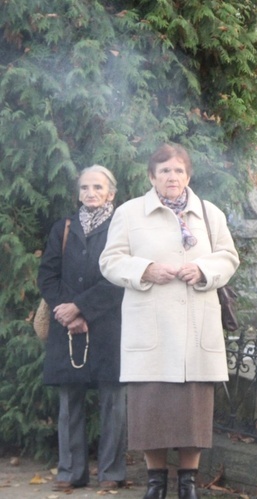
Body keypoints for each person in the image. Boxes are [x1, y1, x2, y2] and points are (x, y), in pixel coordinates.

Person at [99, 143, 239, 499]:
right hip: (151, 330)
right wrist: (145, 268)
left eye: (178, 170)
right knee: (150, 408)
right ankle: (155, 482)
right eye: (164, 171)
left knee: (193, 410)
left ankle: (188, 483)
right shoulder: (130, 214)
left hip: (196, 328)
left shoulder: (210, 213)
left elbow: (228, 257)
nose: (171, 177)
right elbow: (110, 261)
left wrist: (203, 268)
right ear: (151, 177)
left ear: (188, 175)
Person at [38, 165, 127, 492]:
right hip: (68, 327)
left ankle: (112, 473)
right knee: (69, 403)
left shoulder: (122, 227)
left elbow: (121, 278)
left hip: (109, 325)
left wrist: (83, 307)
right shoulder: (63, 228)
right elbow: (47, 275)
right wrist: (67, 311)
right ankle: (70, 472)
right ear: (78, 193)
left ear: (111, 193)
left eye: (98, 187)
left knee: (113, 404)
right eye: (85, 187)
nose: (91, 193)